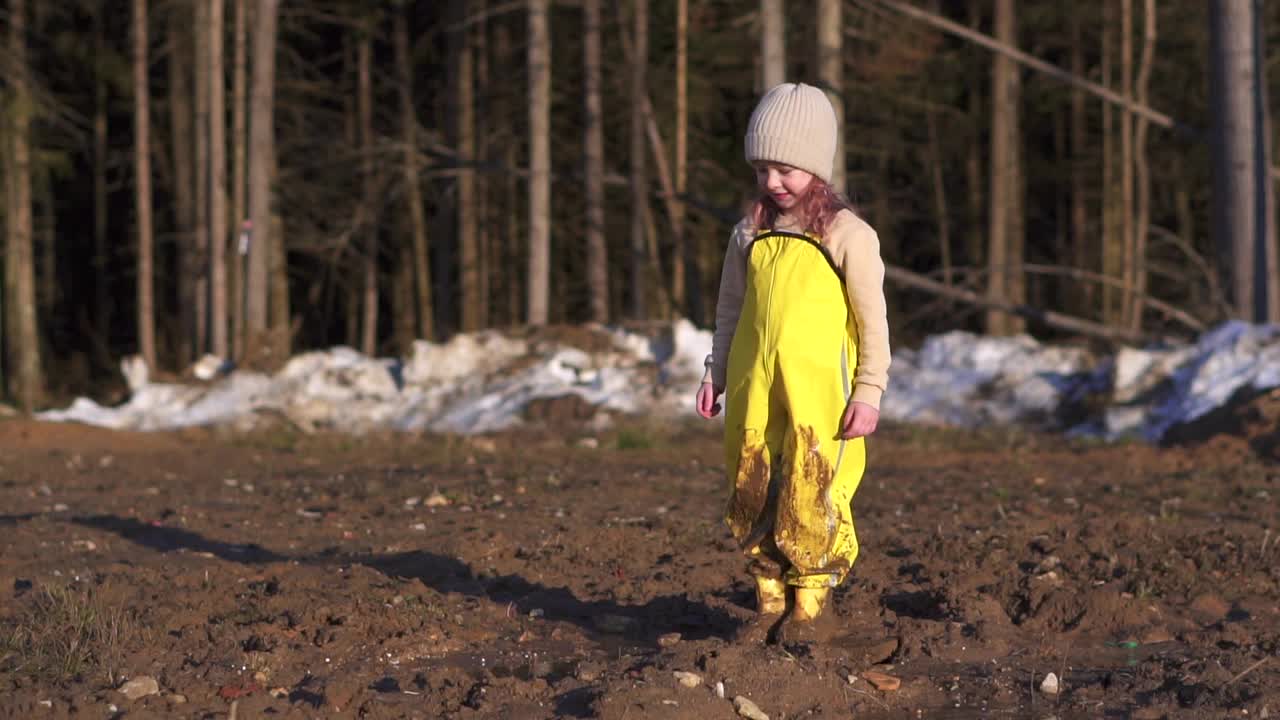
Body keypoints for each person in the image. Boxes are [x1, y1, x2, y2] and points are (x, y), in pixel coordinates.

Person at [695, 82, 890, 645]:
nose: (772, 183)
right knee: (752, 485)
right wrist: (717, 371)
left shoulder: (848, 235)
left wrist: (868, 391)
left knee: (812, 491)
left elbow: (872, 323)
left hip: (819, 402)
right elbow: (730, 310)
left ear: (816, 168)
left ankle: (810, 607)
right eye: (761, 171)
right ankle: (768, 599)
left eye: (785, 170)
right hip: (756, 395)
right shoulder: (748, 234)